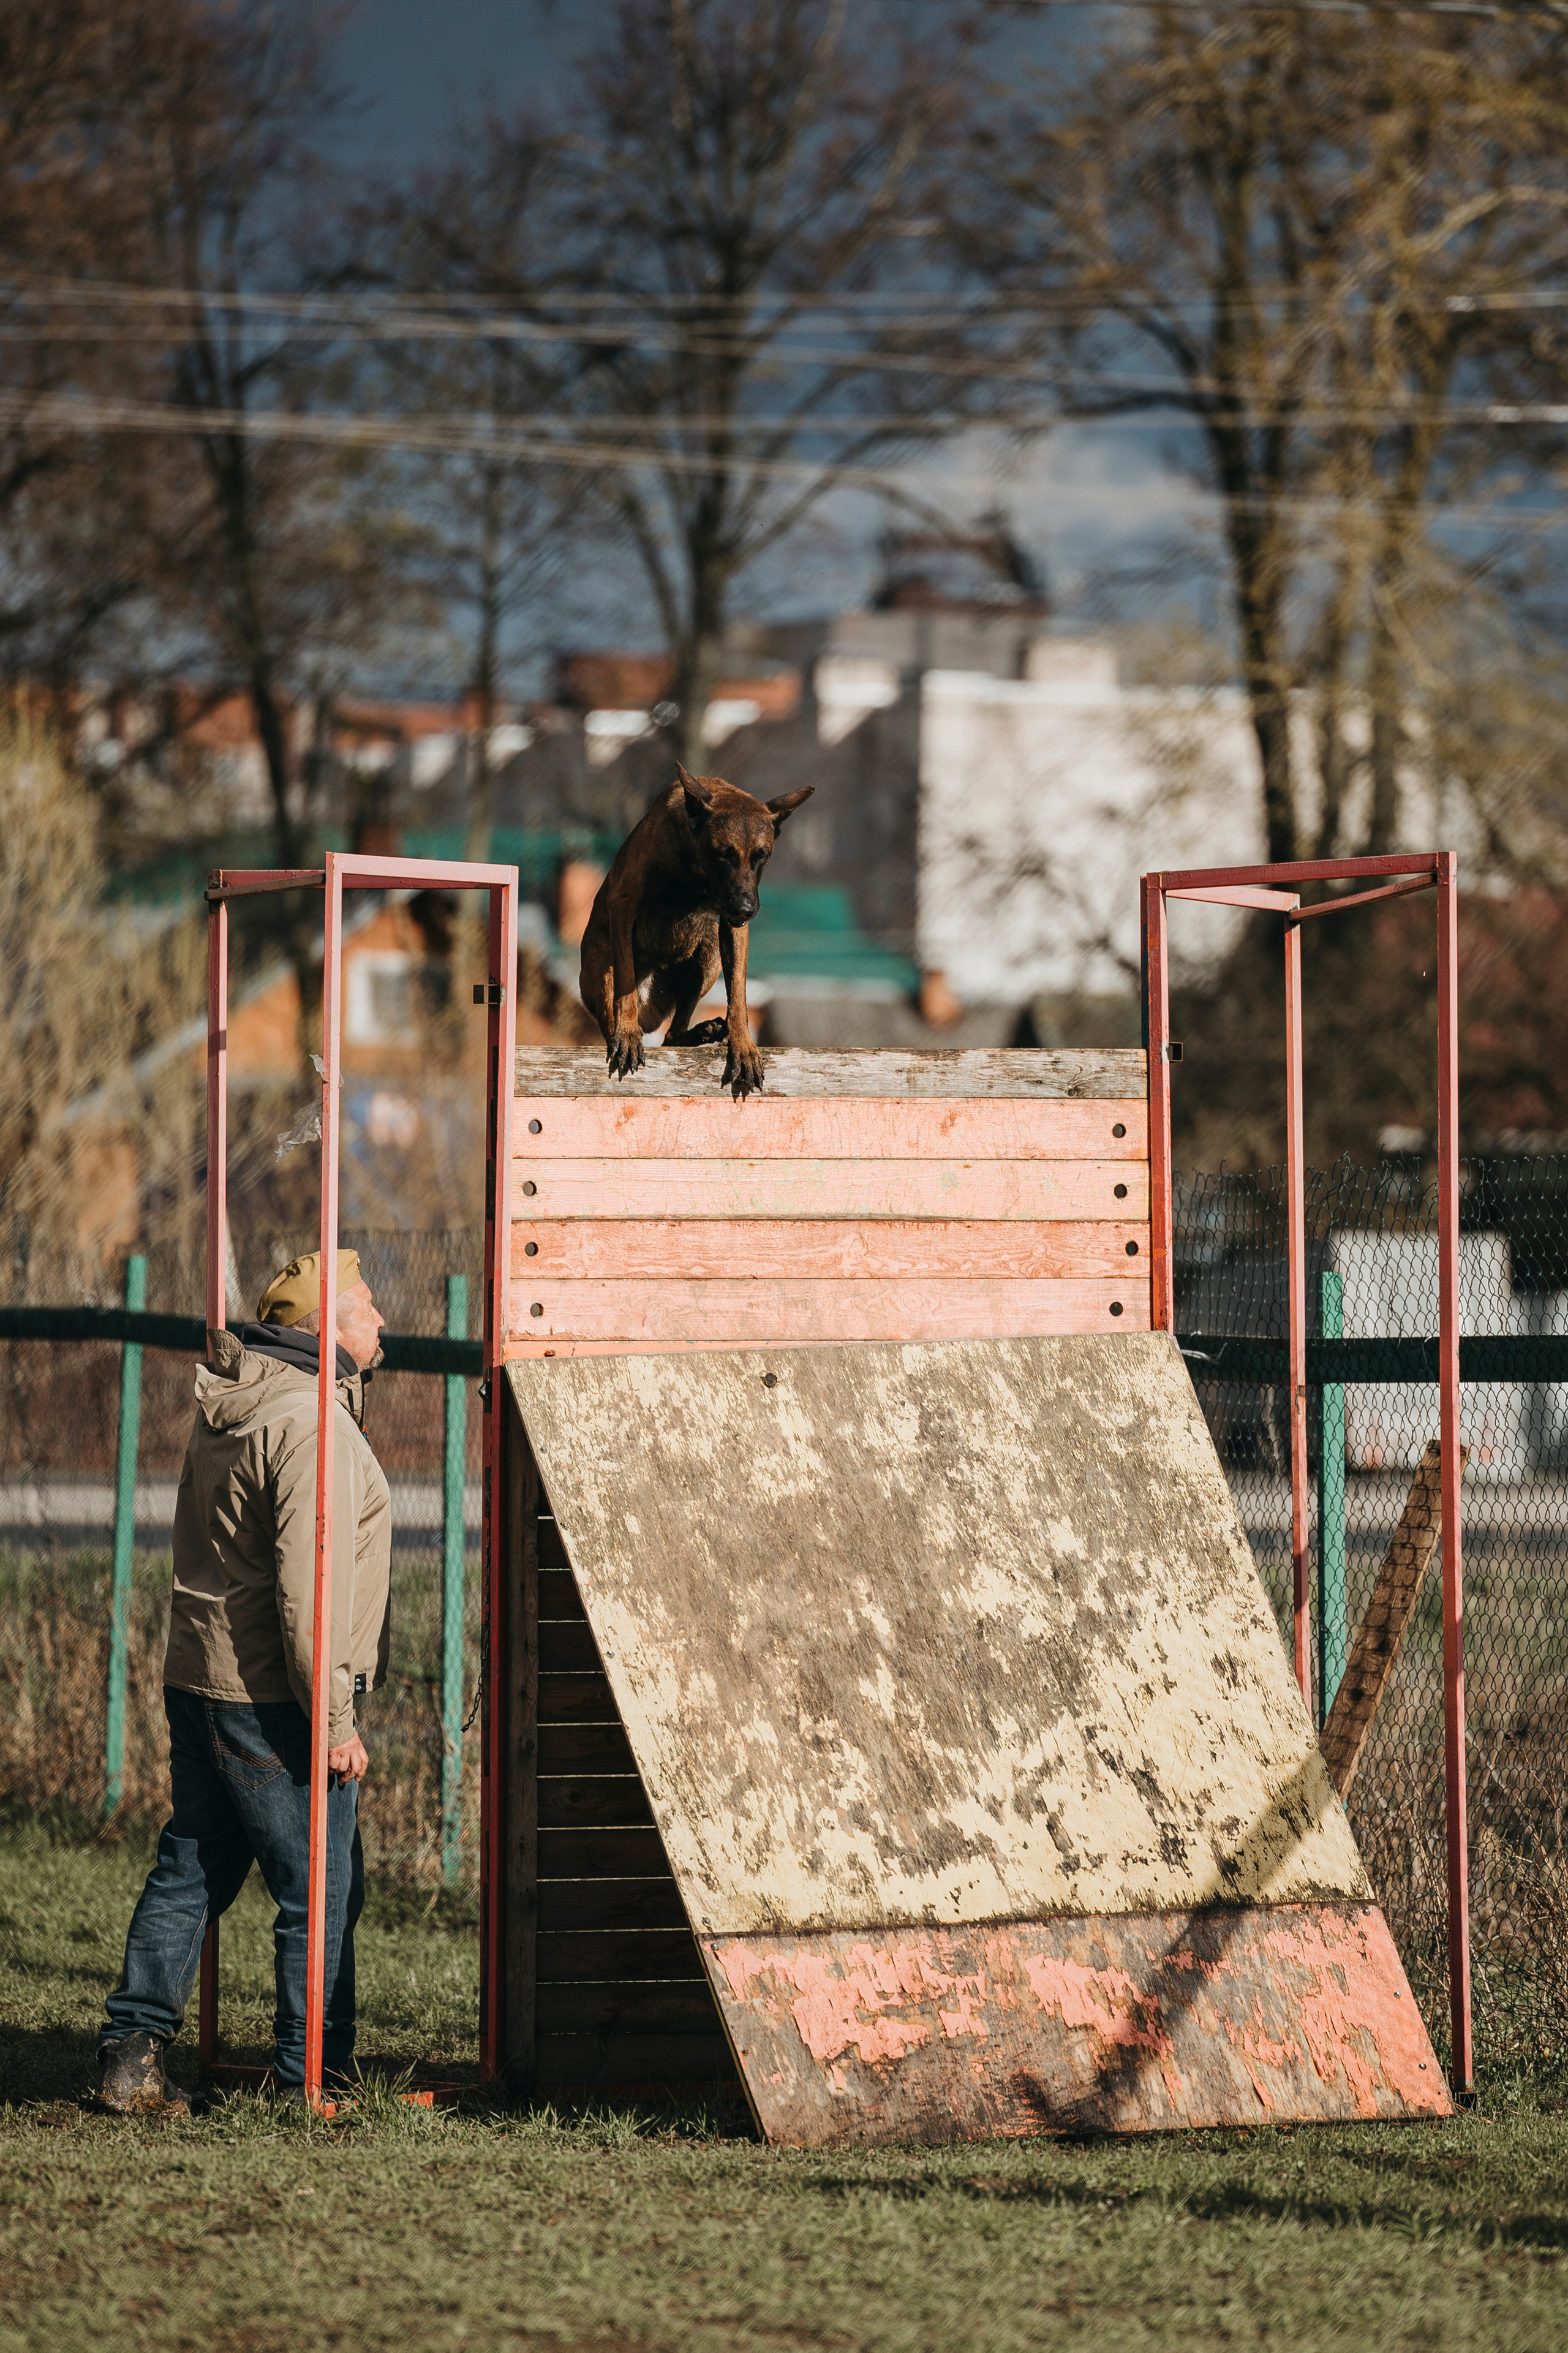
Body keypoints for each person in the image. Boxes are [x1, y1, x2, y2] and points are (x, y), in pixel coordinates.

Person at [96, 1251, 390, 2115]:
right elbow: (311, 1587)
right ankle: (312, 2079)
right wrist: (333, 1715)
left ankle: (130, 2053)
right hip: (274, 1694)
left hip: (201, 1673)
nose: (381, 1320)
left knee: (193, 1866)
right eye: (366, 1305)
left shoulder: (240, 1405)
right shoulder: (309, 1423)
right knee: (321, 1886)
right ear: (321, 1325)